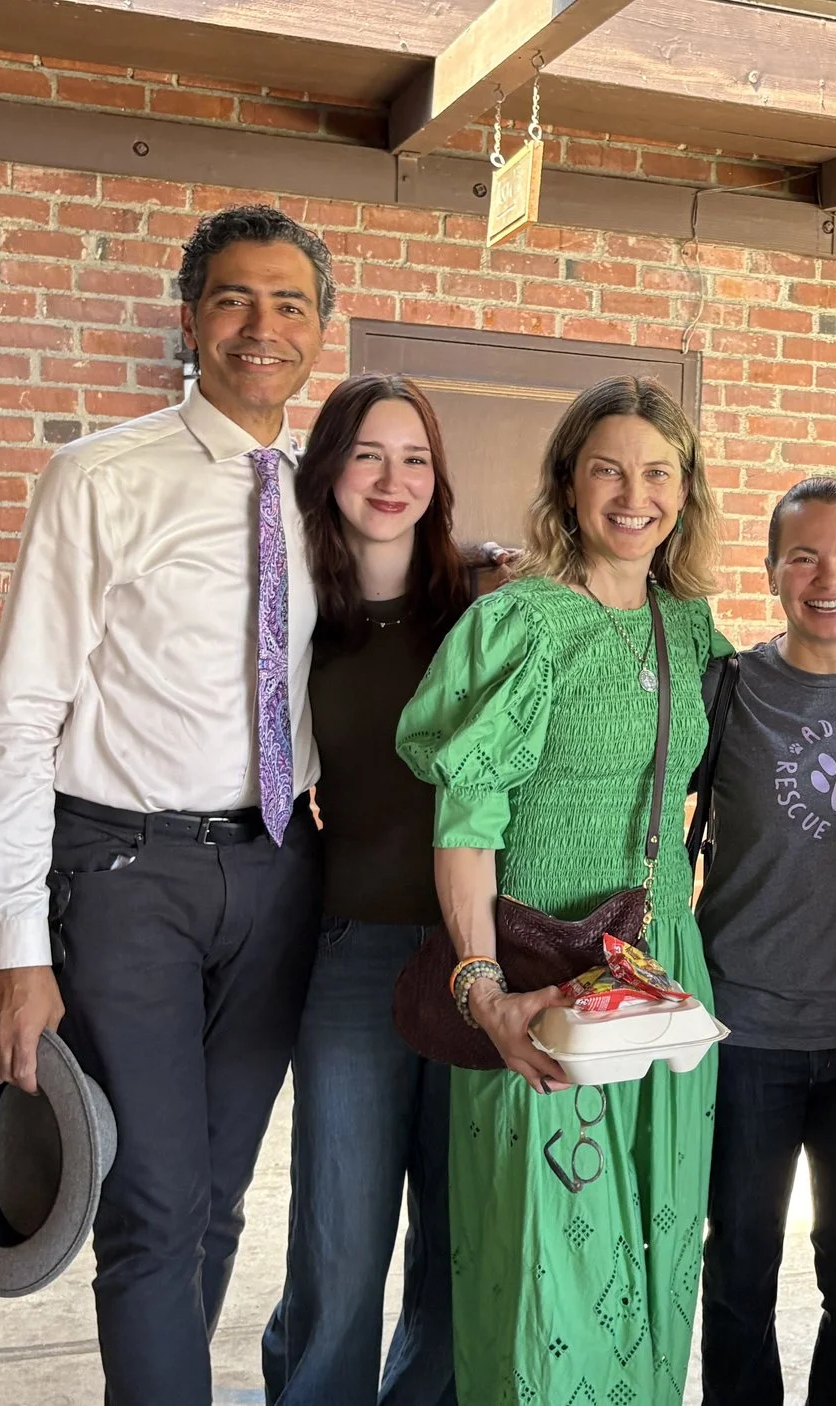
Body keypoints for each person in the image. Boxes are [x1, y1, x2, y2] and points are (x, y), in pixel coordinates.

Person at [0, 203, 334, 1402]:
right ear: (188, 318)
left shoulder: (321, 495)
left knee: (217, 1196)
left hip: (277, 868)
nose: (261, 326)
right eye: (233, 298)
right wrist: (19, 947)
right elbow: (19, 716)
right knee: (154, 1202)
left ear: (318, 329)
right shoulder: (99, 477)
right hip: (126, 876)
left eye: (288, 303)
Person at [396, 376, 732, 1406]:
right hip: (547, 977)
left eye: (658, 473)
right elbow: (464, 821)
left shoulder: (689, 626)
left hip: (663, 971)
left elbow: (767, 712)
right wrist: (483, 987)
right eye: (608, 471)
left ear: (685, 490)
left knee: (658, 1249)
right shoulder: (520, 624)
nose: (635, 496)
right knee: (547, 1269)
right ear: (568, 483)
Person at [260, 373, 473, 1406]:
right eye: (368, 455)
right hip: (352, 955)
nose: (393, 480)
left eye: (415, 458)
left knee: (457, 1241)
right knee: (339, 1236)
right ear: (328, 468)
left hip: (476, 952)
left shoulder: (480, 609)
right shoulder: (295, 613)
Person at [696, 477, 836, 1405]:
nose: (828, 579)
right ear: (769, 571)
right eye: (803, 557)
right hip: (744, 1029)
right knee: (739, 1273)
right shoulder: (729, 689)